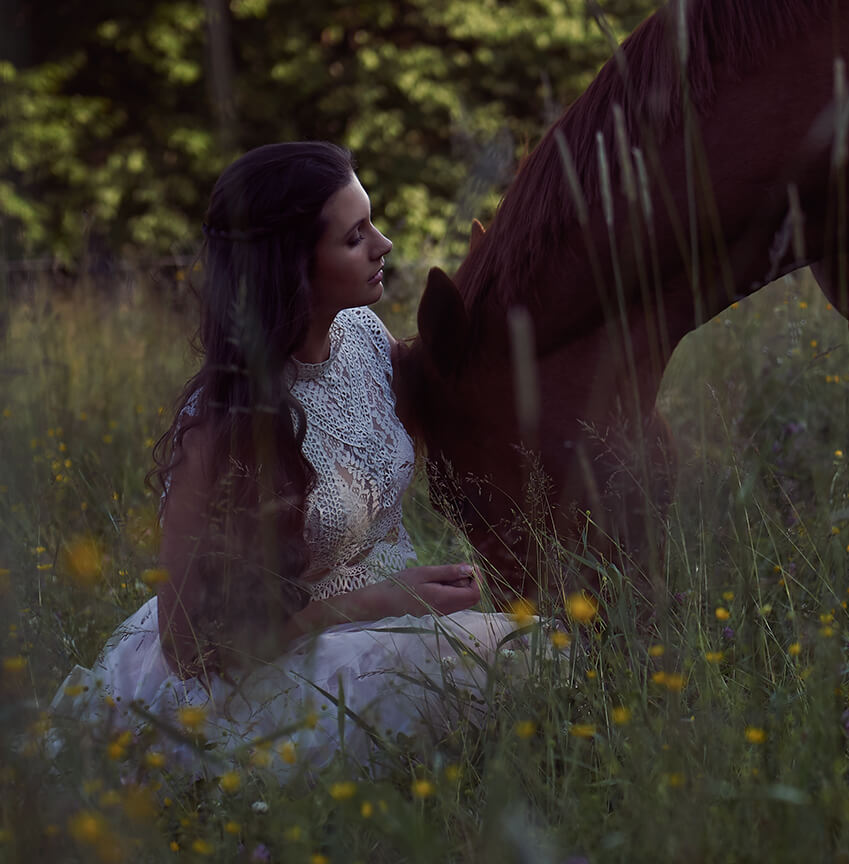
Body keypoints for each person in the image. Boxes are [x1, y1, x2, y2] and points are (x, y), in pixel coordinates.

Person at [54, 141, 524, 773]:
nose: (383, 244)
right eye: (356, 236)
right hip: (277, 668)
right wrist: (377, 603)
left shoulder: (361, 335)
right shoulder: (224, 427)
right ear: (292, 267)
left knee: (551, 660)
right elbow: (192, 649)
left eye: (372, 223)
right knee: (534, 662)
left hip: (396, 620)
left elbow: (453, 405)